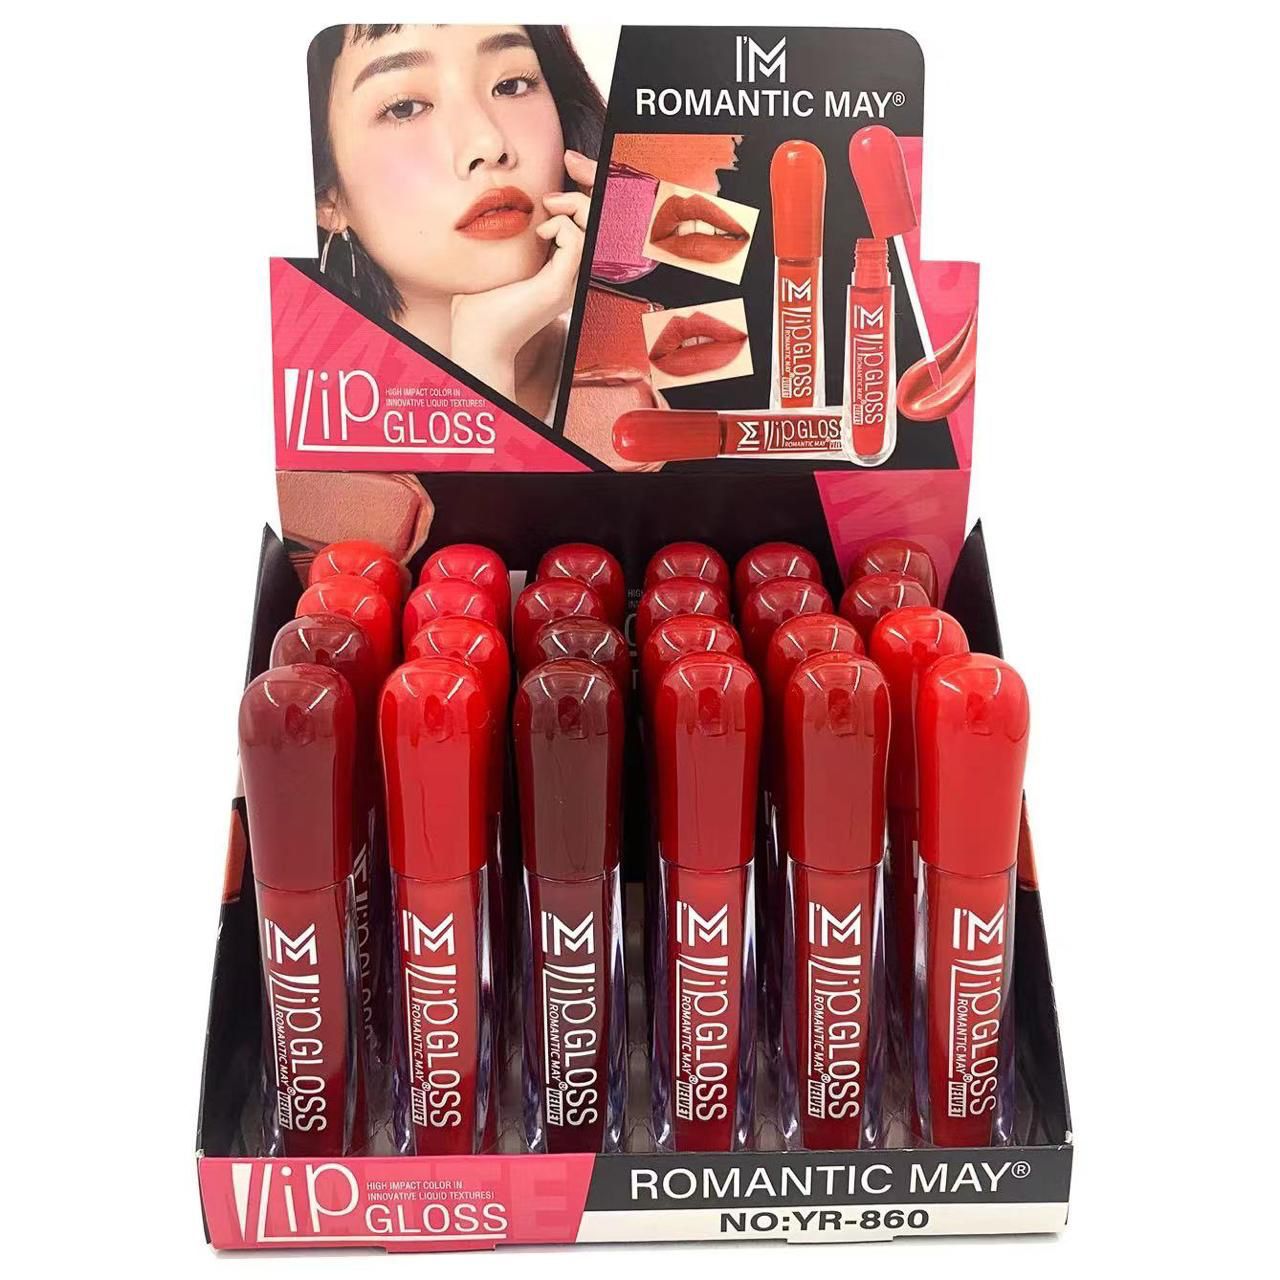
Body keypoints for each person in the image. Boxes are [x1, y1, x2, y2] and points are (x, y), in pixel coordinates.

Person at [309, 24, 605, 422]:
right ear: (327, 196)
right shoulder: (311, 414)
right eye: (405, 108)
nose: (487, 143)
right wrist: (483, 371)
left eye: (511, 86)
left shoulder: (640, 387)